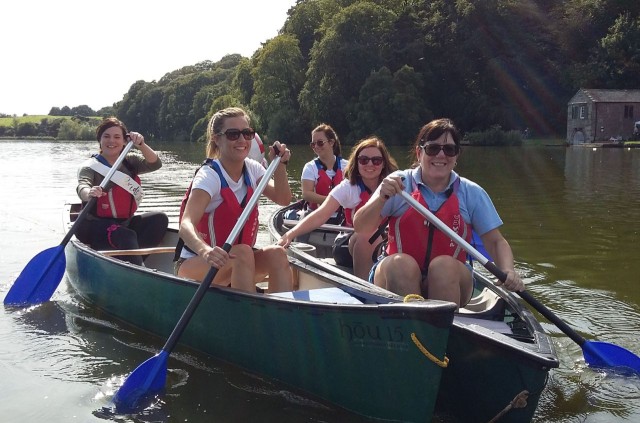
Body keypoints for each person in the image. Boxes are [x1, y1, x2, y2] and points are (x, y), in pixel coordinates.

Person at [353, 118, 524, 308]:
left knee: (443, 266)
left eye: (449, 149)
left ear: (456, 156)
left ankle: (444, 328)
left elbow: (495, 241)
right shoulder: (398, 183)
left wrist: (508, 269)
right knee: (401, 264)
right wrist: (381, 199)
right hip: (397, 274)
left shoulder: (471, 192)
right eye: (433, 148)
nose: (441, 155)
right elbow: (360, 226)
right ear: (419, 153)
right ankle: (411, 324)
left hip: (451, 279)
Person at [175, 107, 293, 293]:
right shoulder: (209, 177)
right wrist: (206, 251)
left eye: (247, 134)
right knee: (243, 253)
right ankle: (248, 316)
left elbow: (283, 199)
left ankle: (280, 315)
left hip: (239, 262)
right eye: (233, 134)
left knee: (278, 254)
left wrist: (280, 166)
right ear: (216, 138)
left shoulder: (253, 169)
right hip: (198, 264)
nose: (242, 140)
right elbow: (186, 224)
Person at [279, 136, 398, 279]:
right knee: (367, 235)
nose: (370, 164)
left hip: (385, 243)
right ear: (357, 163)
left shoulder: (395, 186)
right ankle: (366, 289)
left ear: (384, 163)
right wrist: (290, 234)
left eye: (376, 160)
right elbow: (321, 214)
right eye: (364, 160)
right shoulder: (348, 187)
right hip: (348, 244)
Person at [76, 117, 168, 265]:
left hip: (124, 223)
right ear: (100, 140)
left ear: (125, 142)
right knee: (126, 235)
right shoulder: (90, 167)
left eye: (117, 137)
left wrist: (141, 144)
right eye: (106, 136)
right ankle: (137, 269)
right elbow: (82, 187)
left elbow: (155, 164)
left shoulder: (130, 162)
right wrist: (90, 192)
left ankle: (131, 262)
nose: (111, 141)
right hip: (94, 226)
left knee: (159, 219)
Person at [300, 124, 349, 218]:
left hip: (342, 215)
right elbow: (306, 194)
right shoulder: (310, 167)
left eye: (320, 143)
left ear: (331, 142)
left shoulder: (347, 165)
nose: (316, 147)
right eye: (313, 144)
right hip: (315, 214)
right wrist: (333, 201)